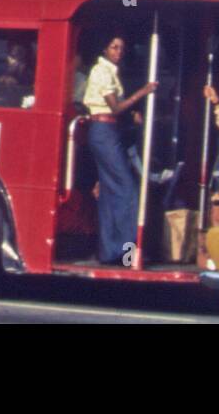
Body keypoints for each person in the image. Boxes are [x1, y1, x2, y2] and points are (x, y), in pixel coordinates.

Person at [82, 34, 157, 265]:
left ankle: (108, 252)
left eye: (121, 48)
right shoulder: (101, 71)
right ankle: (125, 253)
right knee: (128, 191)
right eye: (114, 47)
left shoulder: (110, 71)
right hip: (103, 132)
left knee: (108, 193)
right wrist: (143, 92)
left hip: (108, 132)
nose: (118, 52)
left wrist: (131, 112)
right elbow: (114, 107)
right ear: (105, 49)